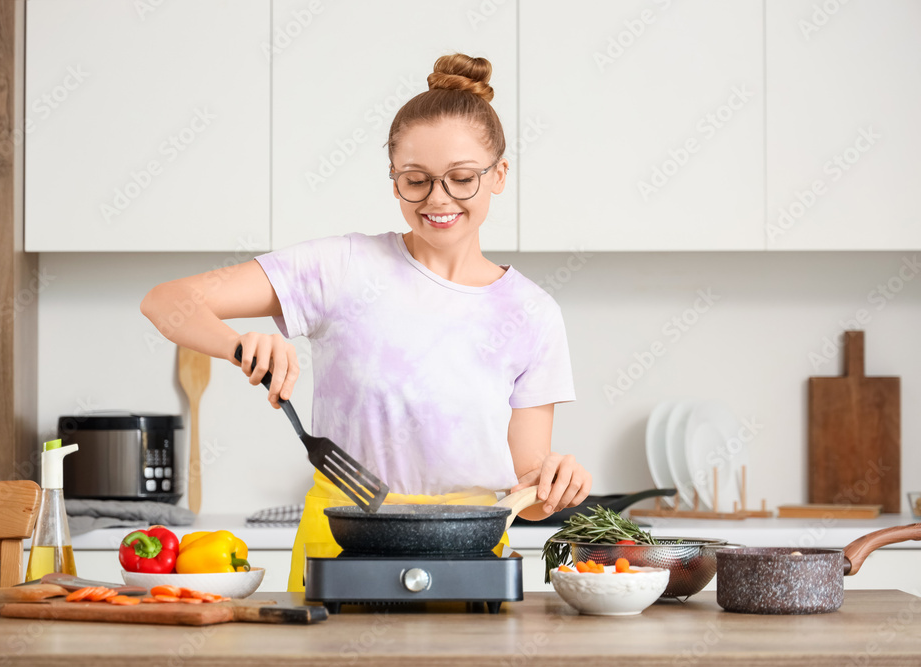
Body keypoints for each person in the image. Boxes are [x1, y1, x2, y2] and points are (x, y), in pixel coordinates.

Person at [141, 53, 592, 592]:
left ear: (499, 175)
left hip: (466, 553)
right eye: (416, 180)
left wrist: (555, 482)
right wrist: (240, 345)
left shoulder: (532, 313)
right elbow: (166, 301)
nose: (438, 199)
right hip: (341, 541)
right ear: (394, 180)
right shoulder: (342, 268)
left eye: (462, 178)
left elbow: (530, 494)